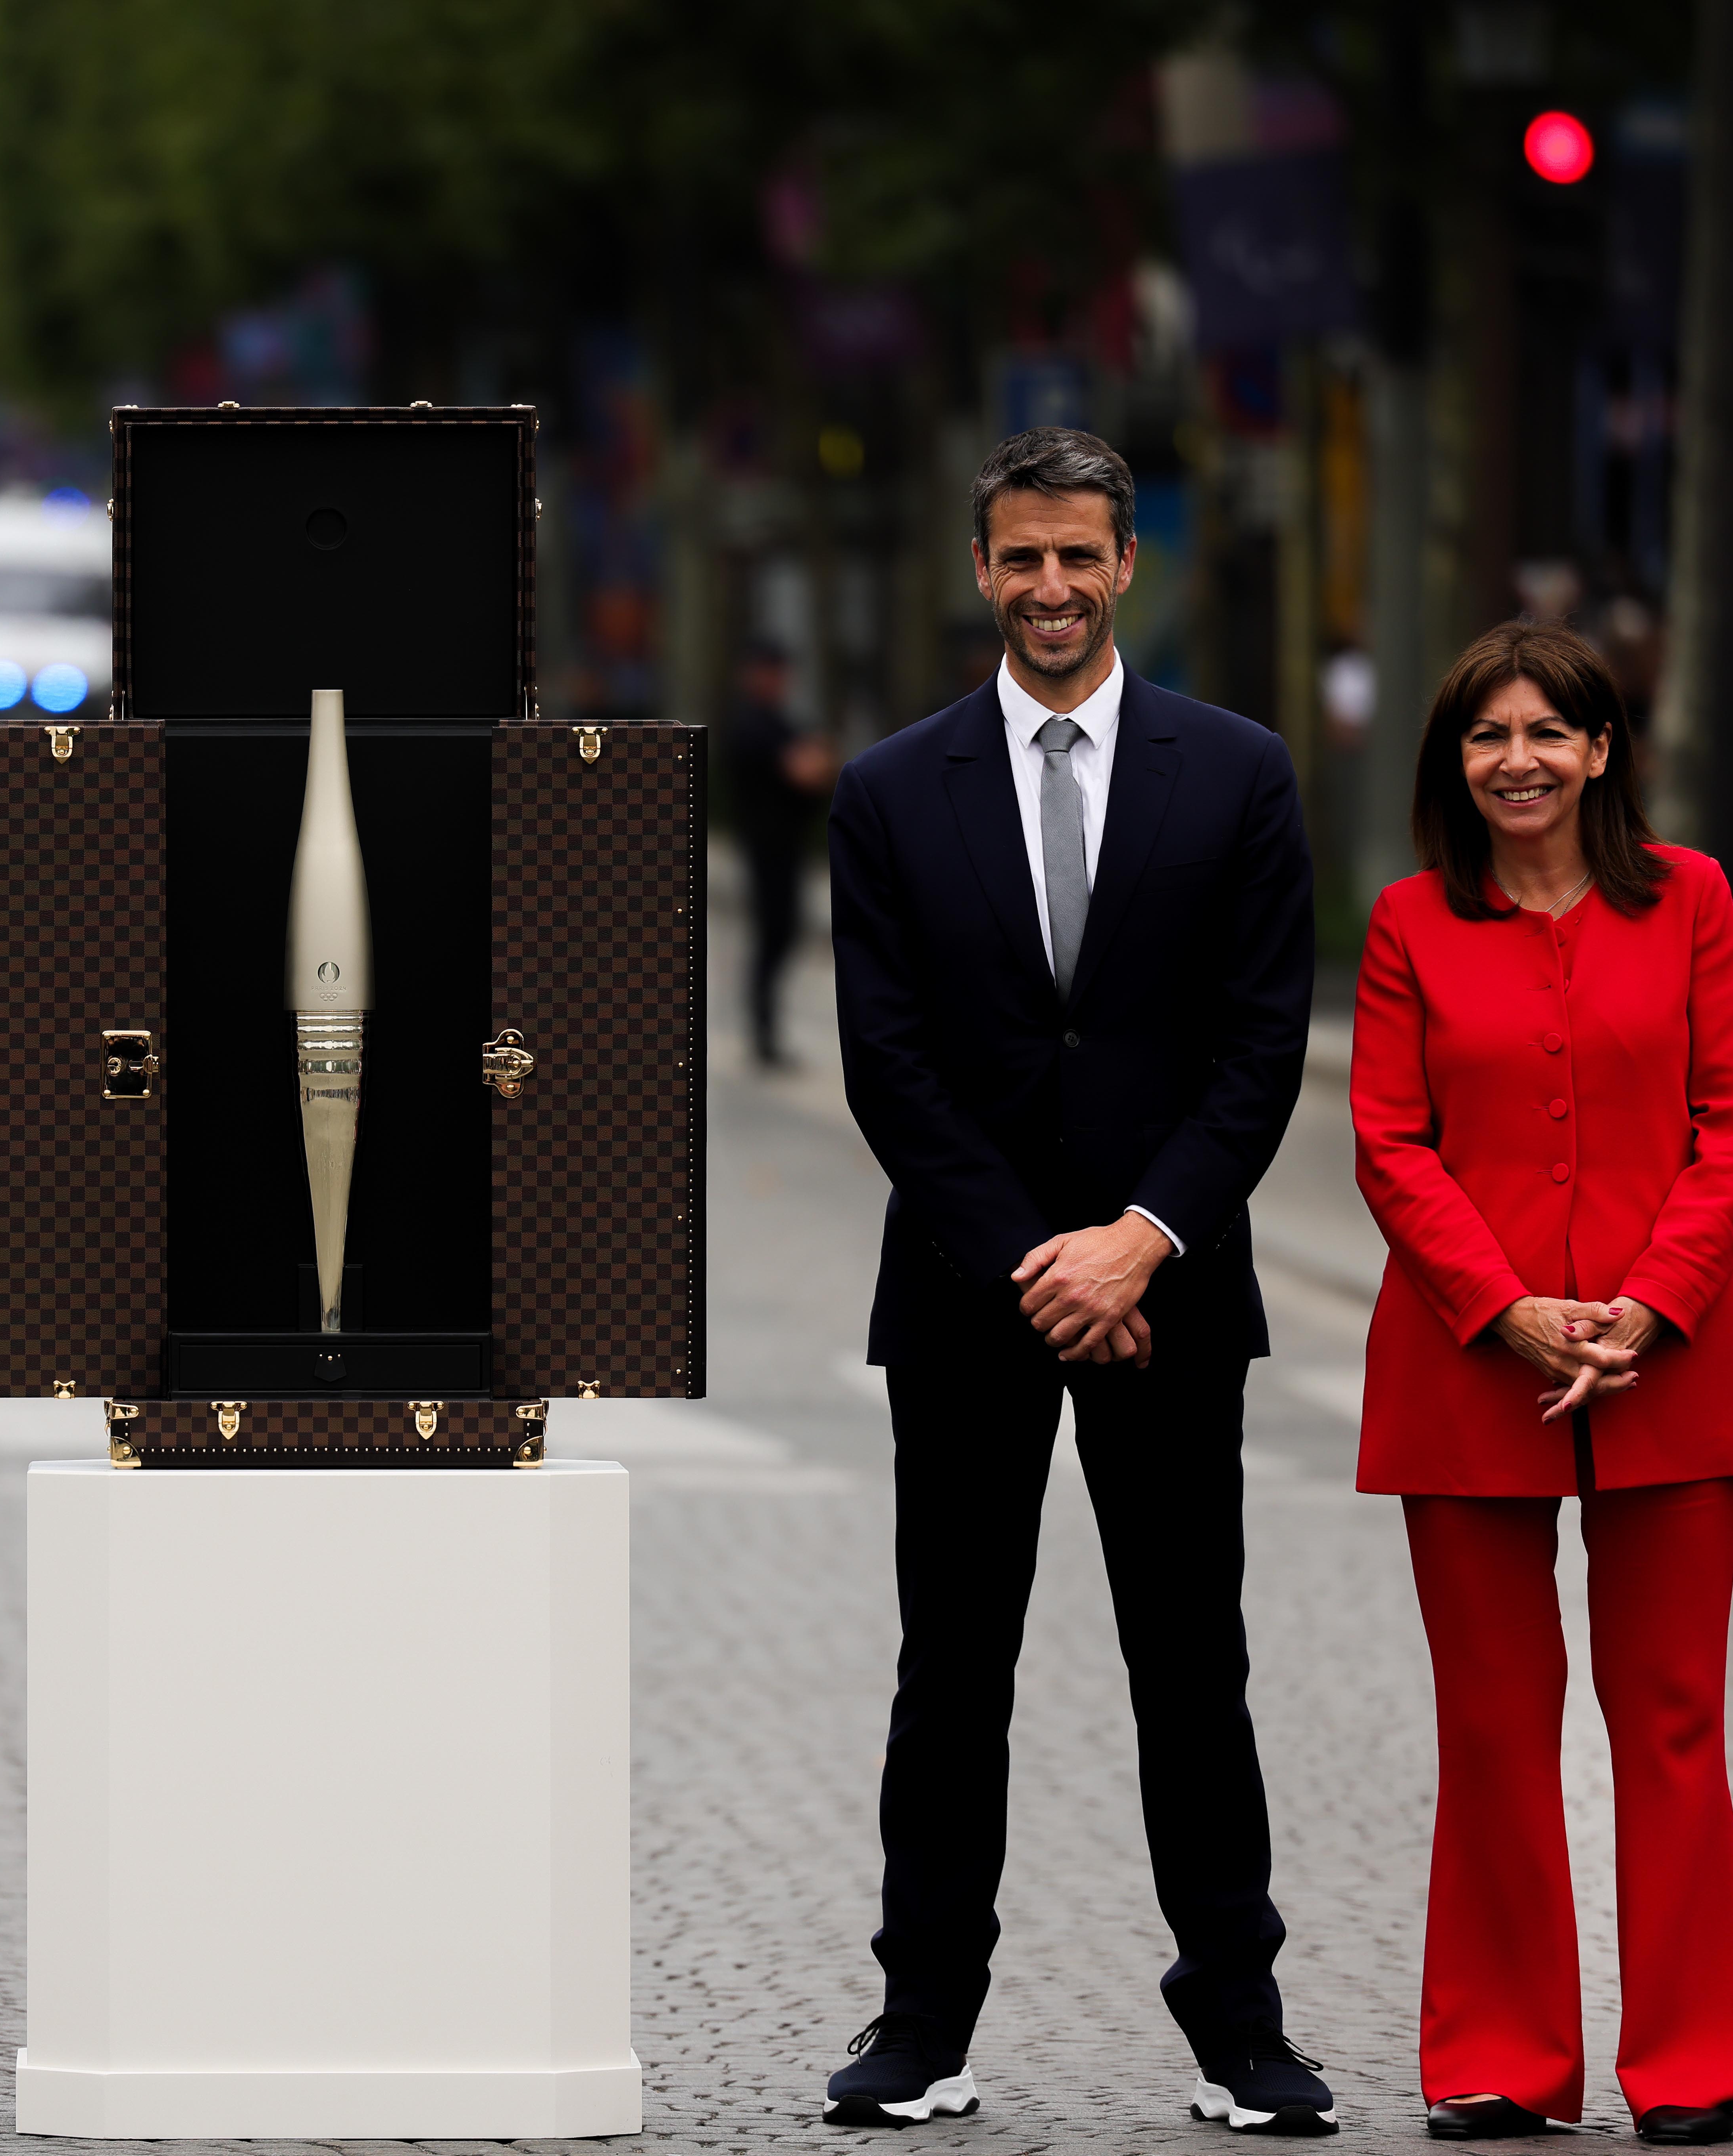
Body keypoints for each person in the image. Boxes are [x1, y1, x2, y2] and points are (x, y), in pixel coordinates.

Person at [825, 428, 1332, 2134]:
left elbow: (1263, 1045)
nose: (1050, 587)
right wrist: (1034, 1257)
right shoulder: (891, 789)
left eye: (1080, 558)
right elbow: (886, 1062)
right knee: (950, 1671)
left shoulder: (1239, 772)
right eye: (1019, 558)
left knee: (1193, 1664)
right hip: (971, 1292)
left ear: (1130, 569)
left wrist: (1140, 1239)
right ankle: (920, 2024)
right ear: (979, 570)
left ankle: (1242, 2030)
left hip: (1169, 1290)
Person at [1350, 620, 1733, 2147]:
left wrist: (1652, 1307)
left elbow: (1731, 1114)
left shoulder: (1694, 904)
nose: (1518, 759)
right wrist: (1505, 1310)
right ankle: (1499, 2056)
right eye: (1487, 735)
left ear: (1602, 749)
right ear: (1453, 764)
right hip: (1468, 1368)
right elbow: (1388, 1144)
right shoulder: (1407, 921)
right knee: (1489, 1719)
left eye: (1548, 731)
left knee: (1669, 1717)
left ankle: (1690, 2064)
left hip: (1674, 1364)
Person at [724, 639, 837, 1065]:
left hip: (786, 845)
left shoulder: (777, 722)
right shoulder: (753, 726)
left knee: (782, 935)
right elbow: (808, 769)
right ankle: (763, 1033)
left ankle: (766, 1031)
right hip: (766, 847)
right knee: (774, 936)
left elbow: (819, 765)